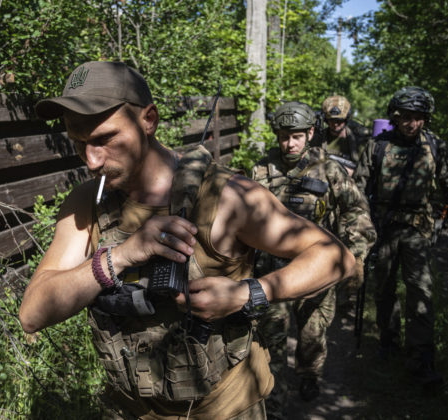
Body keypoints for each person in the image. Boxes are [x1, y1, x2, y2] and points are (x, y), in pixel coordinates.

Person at [18, 61, 356, 420]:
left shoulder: (226, 196)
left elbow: (335, 256)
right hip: (129, 410)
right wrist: (118, 257)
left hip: (225, 408)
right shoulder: (88, 203)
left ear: (148, 120)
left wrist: (247, 293)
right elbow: (32, 315)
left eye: (104, 138)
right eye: (79, 142)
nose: (91, 159)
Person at [251, 101, 375, 418]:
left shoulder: (329, 170)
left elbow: (358, 215)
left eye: (295, 136)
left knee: (312, 334)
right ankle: (273, 401)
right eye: (283, 136)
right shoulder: (261, 170)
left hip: (316, 269)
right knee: (271, 340)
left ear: (309, 133)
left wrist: (351, 255)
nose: (289, 143)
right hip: (271, 272)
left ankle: (309, 374)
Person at [353, 86, 448, 389]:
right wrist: (359, 226)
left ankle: (421, 357)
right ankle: (388, 343)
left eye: (418, 117)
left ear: (425, 119)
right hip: (383, 228)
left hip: (418, 229)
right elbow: (357, 189)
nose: (411, 123)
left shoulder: (435, 147)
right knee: (384, 290)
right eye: (405, 117)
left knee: (421, 292)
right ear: (395, 116)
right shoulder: (377, 147)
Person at [311, 95, 371, 176]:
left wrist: (351, 172)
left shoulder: (360, 140)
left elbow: (367, 170)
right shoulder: (318, 139)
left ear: (346, 119)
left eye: (339, 120)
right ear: (326, 120)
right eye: (331, 120)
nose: (335, 124)